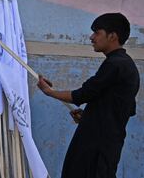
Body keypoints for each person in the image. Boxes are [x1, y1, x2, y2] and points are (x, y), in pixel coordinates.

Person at [37, 13, 140, 178]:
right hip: (105, 144)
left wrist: (49, 92)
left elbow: (82, 95)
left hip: (96, 147)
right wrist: (90, 117)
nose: (92, 37)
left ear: (112, 36)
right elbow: (120, 109)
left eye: (97, 32)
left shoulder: (115, 64)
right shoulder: (126, 65)